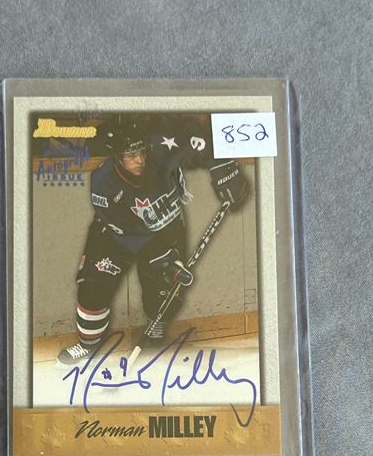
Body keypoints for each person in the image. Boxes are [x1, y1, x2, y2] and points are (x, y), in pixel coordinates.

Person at [55, 118, 250, 368]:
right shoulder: (103, 183)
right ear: (117, 158)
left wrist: (225, 168)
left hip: (165, 228)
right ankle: (88, 344)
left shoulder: (161, 149)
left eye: (141, 152)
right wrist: (162, 259)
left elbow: (203, 140)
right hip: (114, 237)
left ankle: (156, 330)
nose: (139, 160)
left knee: (168, 289)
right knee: (93, 287)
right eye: (130, 155)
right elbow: (125, 230)